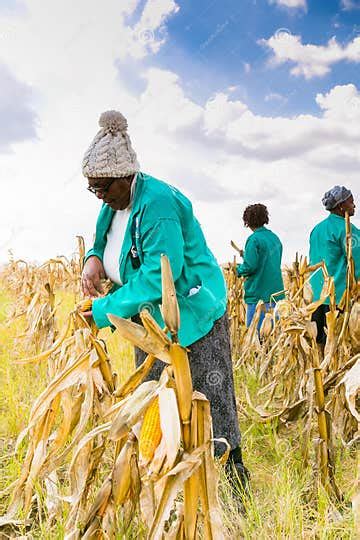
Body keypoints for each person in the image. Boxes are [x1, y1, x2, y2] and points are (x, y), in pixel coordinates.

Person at [80, 110, 249, 493]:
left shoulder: (158, 206)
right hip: (151, 323)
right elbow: (102, 241)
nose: (100, 197)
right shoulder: (113, 205)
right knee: (158, 400)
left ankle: (233, 484)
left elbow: (160, 277)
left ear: (126, 178)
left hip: (190, 315)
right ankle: (170, 483)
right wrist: (93, 259)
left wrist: (105, 310)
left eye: (103, 188)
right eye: (93, 189)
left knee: (209, 400)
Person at [310, 186, 360, 345]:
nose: (354, 206)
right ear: (341, 206)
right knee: (338, 345)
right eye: (351, 202)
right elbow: (357, 263)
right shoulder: (348, 230)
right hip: (338, 297)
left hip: (317, 296)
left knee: (319, 345)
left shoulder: (317, 229)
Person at [236, 204, 284, 328]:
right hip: (277, 296)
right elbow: (267, 260)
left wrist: (237, 270)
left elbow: (250, 266)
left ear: (247, 221)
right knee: (273, 338)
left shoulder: (254, 239)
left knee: (255, 339)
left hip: (259, 297)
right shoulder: (275, 238)